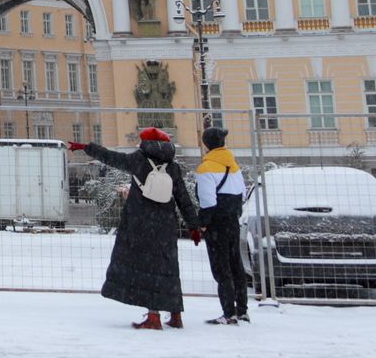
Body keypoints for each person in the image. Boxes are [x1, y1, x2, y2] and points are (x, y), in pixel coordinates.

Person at [68, 127, 202, 329]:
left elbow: (111, 157)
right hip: (166, 225)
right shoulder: (172, 166)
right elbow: (183, 198)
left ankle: (154, 316)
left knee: (148, 269)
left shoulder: (138, 160)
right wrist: (193, 226)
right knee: (168, 268)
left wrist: (87, 147)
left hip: (141, 223)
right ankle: (176, 315)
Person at [195, 126, 250, 324]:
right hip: (233, 220)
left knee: (221, 268)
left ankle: (228, 313)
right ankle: (242, 309)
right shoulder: (233, 165)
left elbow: (207, 201)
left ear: (206, 145)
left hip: (217, 222)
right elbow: (242, 193)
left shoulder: (206, 168)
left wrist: (203, 224)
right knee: (236, 265)